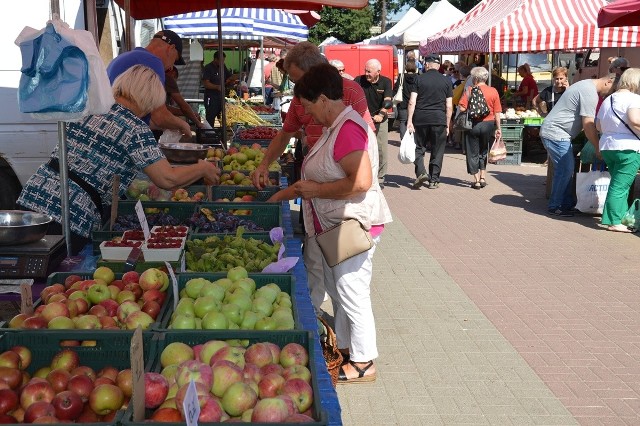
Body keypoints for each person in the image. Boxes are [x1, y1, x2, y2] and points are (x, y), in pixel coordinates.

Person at [267, 63, 392, 384]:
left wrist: (317, 190)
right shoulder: (336, 127)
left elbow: (362, 181)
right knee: (341, 291)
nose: (307, 114)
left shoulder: (348, 128)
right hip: (339, 224)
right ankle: (349, 350)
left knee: (352, 292)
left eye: (308, 107)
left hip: (353, 225)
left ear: (323, 99)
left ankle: (364, 363)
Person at [17, 65, 220, 254]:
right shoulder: (134, 127)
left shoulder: (89, 109)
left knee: (23, 267)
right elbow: (167, 179)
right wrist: (202, 168)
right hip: (71, 214)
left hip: (34, 197)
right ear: (149, 100)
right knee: (50, 277)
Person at [251, 41, 374, 315]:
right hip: (317, 184)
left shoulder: (349, 94)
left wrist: (323, 181)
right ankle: (316, 312)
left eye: (295, 78)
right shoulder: (302, 99)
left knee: (346, 280)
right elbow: (286, 133)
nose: (301, 104)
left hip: (340, 195)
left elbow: (363, 146)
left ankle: (354, 345)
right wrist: (264, 163)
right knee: (317, 260)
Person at [540, 74, 616, 217]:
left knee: (566, 170)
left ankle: (566, 204)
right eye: (612, 90)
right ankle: (555, 206)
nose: (610, 94)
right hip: (556, 133)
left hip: (558, 133)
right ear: (608, 82)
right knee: (565, 170)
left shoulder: (586, 84)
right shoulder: (590, 92)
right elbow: (588, 125)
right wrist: (598, 147)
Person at [106, 30, 191, 137]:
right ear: (171, 48)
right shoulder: (152, 61)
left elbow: (149, 118)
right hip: (125, 134)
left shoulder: (124, 56)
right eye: (175, 60)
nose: (171, 67)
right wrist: (183, 125)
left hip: (110, 127)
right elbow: (160, 117)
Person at [596, 68, 640, 233]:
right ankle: (614, 221)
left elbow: (598, 125)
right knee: (620, 186)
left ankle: (617, 218)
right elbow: (635, 120)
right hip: (628, 148)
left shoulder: (608, 99)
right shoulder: (634, 98)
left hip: (608, 146)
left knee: (618, 184)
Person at [407, 55, 453, 190]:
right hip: (439, 119)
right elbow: (449, 105)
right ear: (438, 66)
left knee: (419, 147)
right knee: (437, 149)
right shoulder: (446, 81)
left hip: (421, 118)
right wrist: (448, 123)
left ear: (426, 65)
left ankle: (421, 172)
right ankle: (434, 180)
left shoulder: (418, 79)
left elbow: (412, 101)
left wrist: (410, 120)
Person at [457, 67, 503, 189]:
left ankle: (476, 180)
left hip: (473, 124)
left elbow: (461, 108)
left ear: (475, 78)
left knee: (472, 152)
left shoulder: (469, 90)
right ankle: (483, 177)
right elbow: (497, 112)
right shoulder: (493, 91)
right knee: (484, 150)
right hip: (488, 124)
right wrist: (498, 128)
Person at [354, 59, 393, 188]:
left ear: (378, 72)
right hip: (362, 120)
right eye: (365, 70)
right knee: (361, 148)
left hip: (379, 119)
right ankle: (362, 173)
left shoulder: (386, 82)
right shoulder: (358, 80)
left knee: (381, 149)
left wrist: (381, 115)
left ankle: (380, 176)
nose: (366, 74)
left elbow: (388, 101)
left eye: (369, 71)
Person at [202, 51, 232, 127]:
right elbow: (206, 83)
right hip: (211, 98)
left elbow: (229, 77)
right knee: (210, 118)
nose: (223, 62)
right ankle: (209, 135)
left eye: (224, 60)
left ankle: (221, 135)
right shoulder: (208, 68)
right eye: (221, 60)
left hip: (220, 97)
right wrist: (217, 87)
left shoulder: (223, 67)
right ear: (215, 59)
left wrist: (239, 76)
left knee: (222, 118)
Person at [394, 59, 418, 140]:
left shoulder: (401, 77)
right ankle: (413, 140)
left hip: (402, 104)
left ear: (406, 68)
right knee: (414, 122)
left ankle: (403, 140)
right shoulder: (418, 77)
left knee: (403, 122)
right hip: (415, 104)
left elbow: (395, 89)